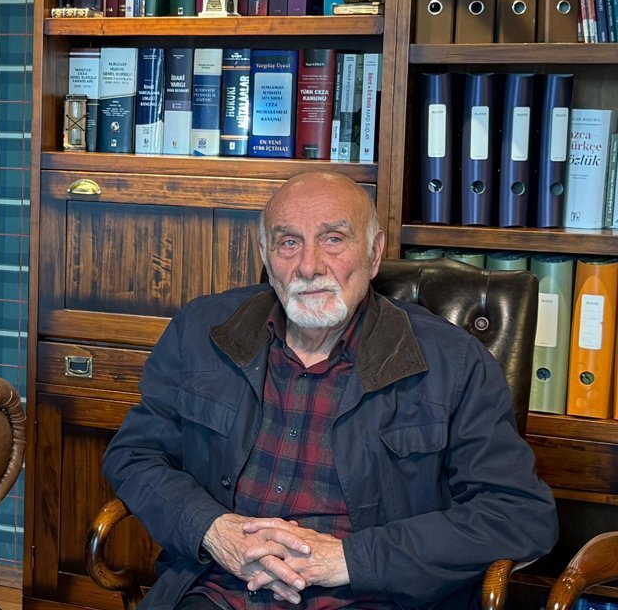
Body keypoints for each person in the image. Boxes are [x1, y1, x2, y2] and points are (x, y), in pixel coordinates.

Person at [102, 171, 557, 610]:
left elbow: (517, 514)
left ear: (374, 253)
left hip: (371, 596)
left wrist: (349, 559)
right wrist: (212, 529)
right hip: (219, 589)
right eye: (288, 242)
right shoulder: (201, 330)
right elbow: (134, 455)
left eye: (333, 239)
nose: (309, 266)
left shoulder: (454, 363)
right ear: (266, 255)